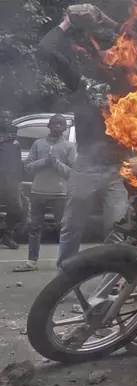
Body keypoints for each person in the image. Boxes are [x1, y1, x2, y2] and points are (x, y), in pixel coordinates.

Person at [37, 5, 132, 267]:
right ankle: (65, 275)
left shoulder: (128, 84)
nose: (109, 53)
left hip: (116, 169)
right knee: (71, 228)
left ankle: (114, 281)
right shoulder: (79, 82)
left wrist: (106, 20)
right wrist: (66, 22)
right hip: (86, 167)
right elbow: (46, 51)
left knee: (118, 229)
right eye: (103, 49)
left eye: (112, 49)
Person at [14, 115, 77, 272]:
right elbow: (28, 167)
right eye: (54, 123)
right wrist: (43, 162)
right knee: (34, 227)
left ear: (64, 128)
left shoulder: (69, 146)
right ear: (49, 126)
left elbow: (72, 173)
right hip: (38, 191)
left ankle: (66, 263)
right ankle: (31, 261)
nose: (57, 126)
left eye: (61, 124)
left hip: (59, 194)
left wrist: (56, 164)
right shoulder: (38, 143)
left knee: (63, 228)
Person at [0, 109, 23, 250]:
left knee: (17, 210)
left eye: (9, 117)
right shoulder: (6, 138)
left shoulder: (14, 141)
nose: (6, 120)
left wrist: (18, 179)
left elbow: (17, 160)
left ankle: (7, 235)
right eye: (3, 117)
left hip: (11, 180)